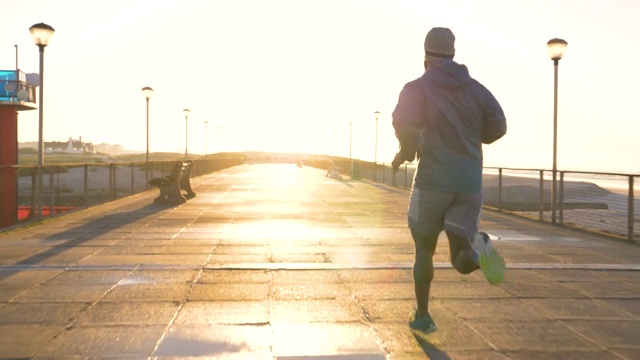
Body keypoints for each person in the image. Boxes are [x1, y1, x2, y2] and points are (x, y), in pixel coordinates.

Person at [391, 27, 507, 336]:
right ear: (454, 54)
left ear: (426, 56)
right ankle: (480, 249)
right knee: (460, 257)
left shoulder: (417, 88)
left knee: (424, 251)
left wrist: (407, 151)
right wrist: (472, 137)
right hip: (468, 185)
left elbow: (404, 123)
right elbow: (498, 126)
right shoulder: (477, 90)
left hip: (431, 183)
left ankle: (423, 316)